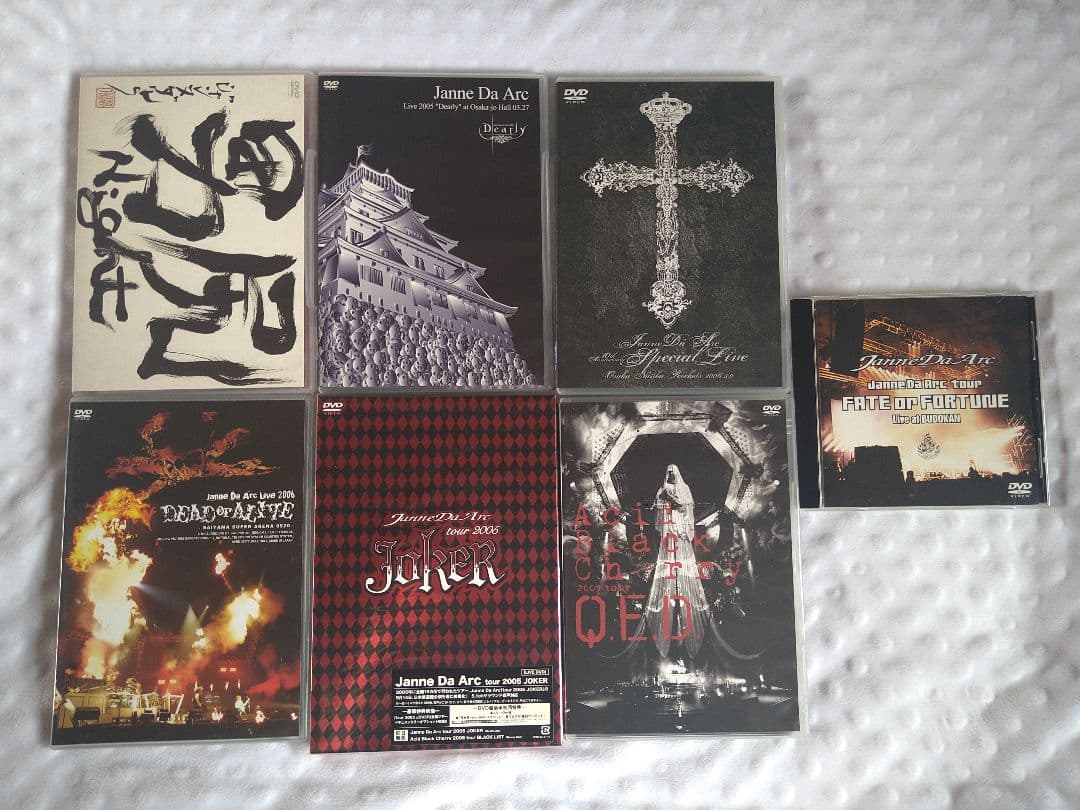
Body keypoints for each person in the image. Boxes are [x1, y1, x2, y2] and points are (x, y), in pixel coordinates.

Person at [646, 465, 709, 658]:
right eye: (669, 473)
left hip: (680, 530)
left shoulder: (684, 489)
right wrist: (662, 501)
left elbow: (687, 508)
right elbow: (658, 515)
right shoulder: (662, 489)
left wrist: (673, 500)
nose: (671, 475)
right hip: (669, 532)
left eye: (673, 473)